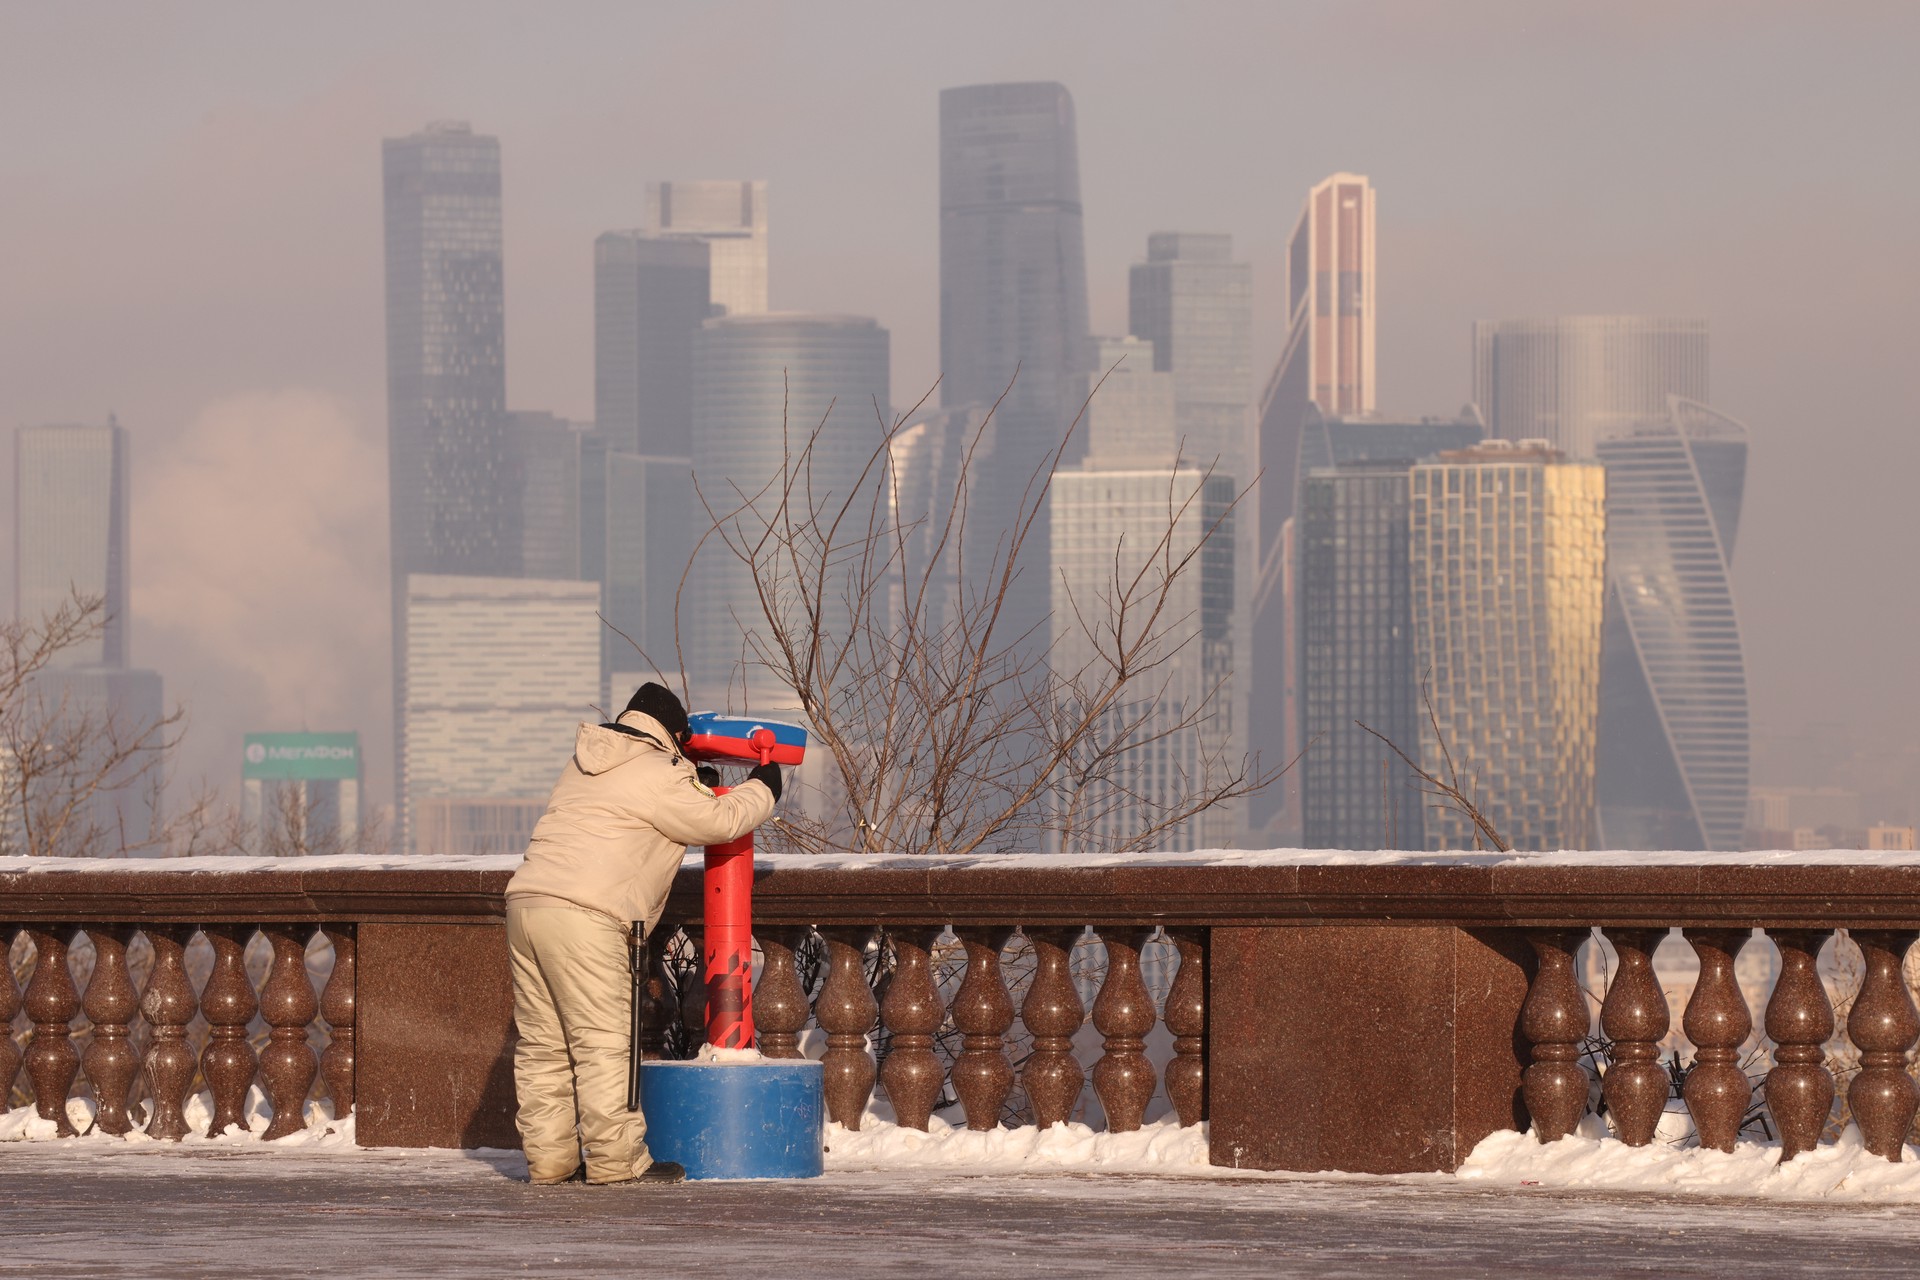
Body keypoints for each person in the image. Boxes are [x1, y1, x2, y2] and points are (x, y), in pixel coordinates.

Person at [504, 681, 781, 1185]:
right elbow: (719, 820)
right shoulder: (658, 769)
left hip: (527, 904)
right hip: (587, 915)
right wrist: (765, 784)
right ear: (672, 733)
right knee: (604, 1043)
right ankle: (617, 1164)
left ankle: (551, 1163)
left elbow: (639, 808)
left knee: (543, 1047)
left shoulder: (587, 762)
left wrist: (691, 781)